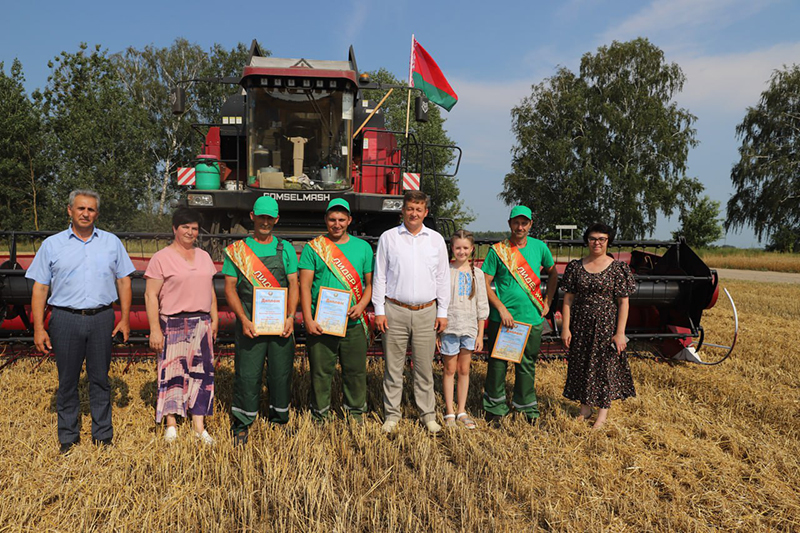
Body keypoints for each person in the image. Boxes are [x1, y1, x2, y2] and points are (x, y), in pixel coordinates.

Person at [26, 189, 134, 453]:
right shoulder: (52, 245)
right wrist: (39, 327)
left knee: (100, 379)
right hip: (64, 319)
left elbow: (124, 280)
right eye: (80, 208)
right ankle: (68, 437)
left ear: (97, 213)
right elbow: (40, 287)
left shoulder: (111, 242)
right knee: (67, 380)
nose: (86, 213)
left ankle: (103, 436)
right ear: (70, 210)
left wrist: (125, 319)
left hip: (101, 318)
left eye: (91, 209)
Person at [372, 190, 450, 434]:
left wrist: (443, 311)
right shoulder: (388, 238)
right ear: (402, 211)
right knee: (393, 368)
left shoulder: (436, 239)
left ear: (425, 212)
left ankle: (428, 415)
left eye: (419, 209)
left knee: (424, 368)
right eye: (410, 209)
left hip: (427, 311)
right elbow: (380, 276)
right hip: (395, 310)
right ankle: (392, 415)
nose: (414, 213)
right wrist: (379, 310)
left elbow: (442, 278)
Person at [223, 196, 299, 444]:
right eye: (261, 217)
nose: (265, 222)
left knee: (280, 374)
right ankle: (242, 422)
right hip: (250, 323)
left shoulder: (286, 248)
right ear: (253, 217)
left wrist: (290, 317)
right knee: (247, 374)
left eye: (270, 218)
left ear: (276, 219)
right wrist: (243, 320)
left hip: (280, 325)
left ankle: (279, 419)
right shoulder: (238, 251)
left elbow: (294, 285)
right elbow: (230, 288)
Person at [144, 207, 218, 445]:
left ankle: (199, 427)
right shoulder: (161, 258)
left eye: (194, 228)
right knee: (171, 374)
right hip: (173, 323)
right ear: (174, 228)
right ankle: (171, 424)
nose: (190, 232)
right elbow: (150, 295)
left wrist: (214, 319)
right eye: (185, 227)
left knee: (202, 375)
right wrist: (155, 329)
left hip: (202, 323)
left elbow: (211, 291)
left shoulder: (205, 257)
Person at [482, 206, 558, 425]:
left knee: (526, 365)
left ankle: (526, 408)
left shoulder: (540, 247)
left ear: (531, 225)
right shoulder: (498, 250)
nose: (520, 227)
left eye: (524, 223)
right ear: (509, 224)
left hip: (532, 318)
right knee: (498, 364)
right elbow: (485, 283)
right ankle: (495, 408)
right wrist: (501, 308)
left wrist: (548, 301)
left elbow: (553, 274)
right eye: (516, 222)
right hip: (505, 320)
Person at [299, 199, 373, 422]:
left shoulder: (363, 248)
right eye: (332, 219)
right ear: (326, 221)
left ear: (349, 220)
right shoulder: (314, 248)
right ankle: (320, 415)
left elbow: (371, 284)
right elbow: (304, 286)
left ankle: (355, 414)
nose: (337, 224)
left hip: (353, 322)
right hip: (322, 323)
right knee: (321, 373)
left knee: (356, 372)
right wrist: (309, 319)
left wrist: (362, 306)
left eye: (342, 219)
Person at [560, 223, 637, 429]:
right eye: (593, 238)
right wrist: (566, 328)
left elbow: (623, 302)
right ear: (587, 241)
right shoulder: (575, 267)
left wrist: (620, 333)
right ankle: (585, 410)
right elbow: (567, 300)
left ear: (608, 241)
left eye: (602, 239)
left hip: (606, 327)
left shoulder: (618, 268)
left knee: (604, 369)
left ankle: (602, 415)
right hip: (581, 324)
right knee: (582, 365)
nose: (597, 242)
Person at [438, 230, 489, 430]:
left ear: (472, 249)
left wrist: (480, 334)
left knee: (464, 370)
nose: (461, 251)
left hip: (469, 328)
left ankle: (462, 411)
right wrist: (437, 332)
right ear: (452, 248)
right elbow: (439, 301)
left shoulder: (478, 273)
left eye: (465, 248)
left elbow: (482, 305)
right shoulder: (445, 271)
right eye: (457, 247)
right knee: (449, 370)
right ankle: (449, 411)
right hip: (449, 327)